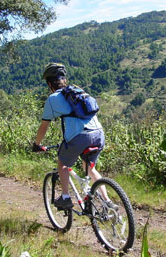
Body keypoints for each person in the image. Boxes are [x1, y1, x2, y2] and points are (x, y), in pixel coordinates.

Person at [33, 63, 107, 210]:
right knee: (89, 167)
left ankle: (66, 197)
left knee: (63, 164)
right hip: (98, 133)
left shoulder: (52, 99)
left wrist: (37, 144)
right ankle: (108, 202)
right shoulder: (78, 91)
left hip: (80, 137)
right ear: (64, 80)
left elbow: (44, 126)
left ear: (49, 83)